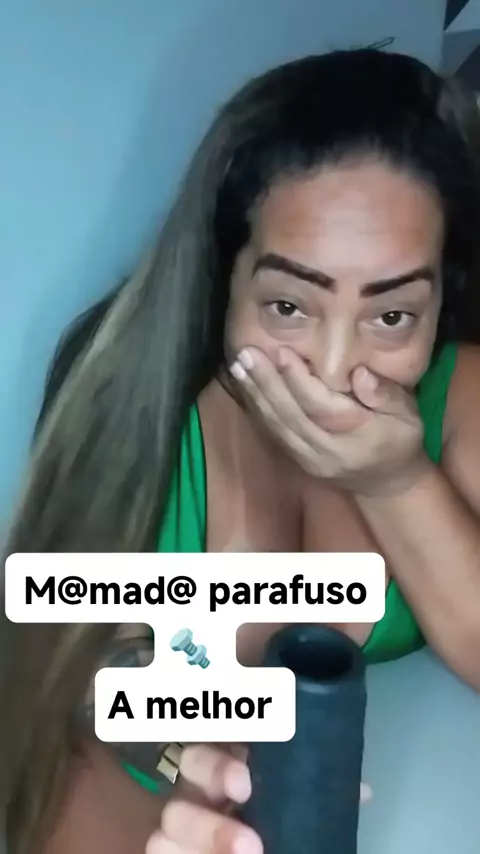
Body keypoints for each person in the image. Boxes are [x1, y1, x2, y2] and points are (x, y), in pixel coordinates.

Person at [2, 45, 480, 854]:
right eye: (289, 305)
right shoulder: (137, 406)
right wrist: (180, 753)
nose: (333, 369)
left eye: (391, 316)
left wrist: (397, 482)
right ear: (226, 276)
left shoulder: (458, 397)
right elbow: (69, 685)